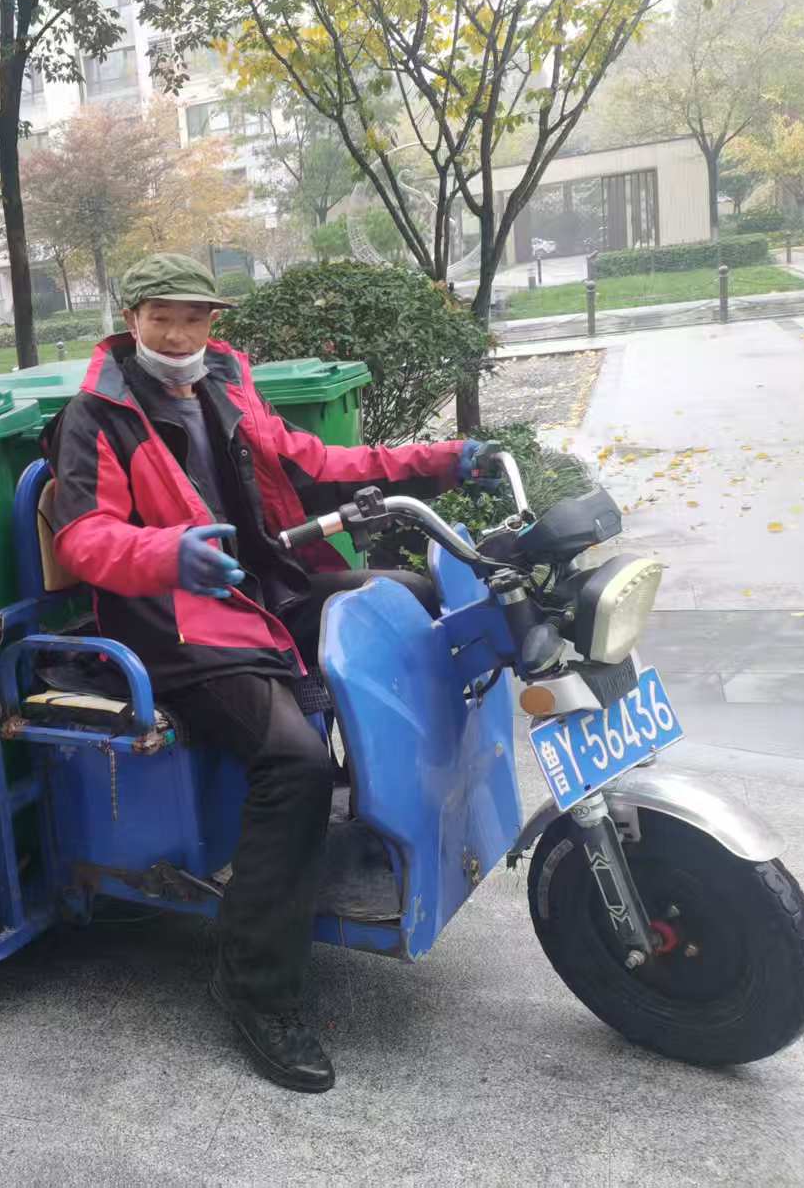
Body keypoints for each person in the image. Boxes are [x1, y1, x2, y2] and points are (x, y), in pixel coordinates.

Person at [45, 253, 500, 1094]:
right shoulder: (96, 414)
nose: (177, 333)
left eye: (193, 316)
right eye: (160, 316)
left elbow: (316, 462)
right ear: (131, 317)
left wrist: (439, 460)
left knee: (406, 599)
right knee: (294, 761)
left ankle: (383, 815)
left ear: (212, 321)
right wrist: (167, 554)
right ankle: (255, 984)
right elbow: (81, 535)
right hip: (176, 625)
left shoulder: (225, 385)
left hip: (263, 591)